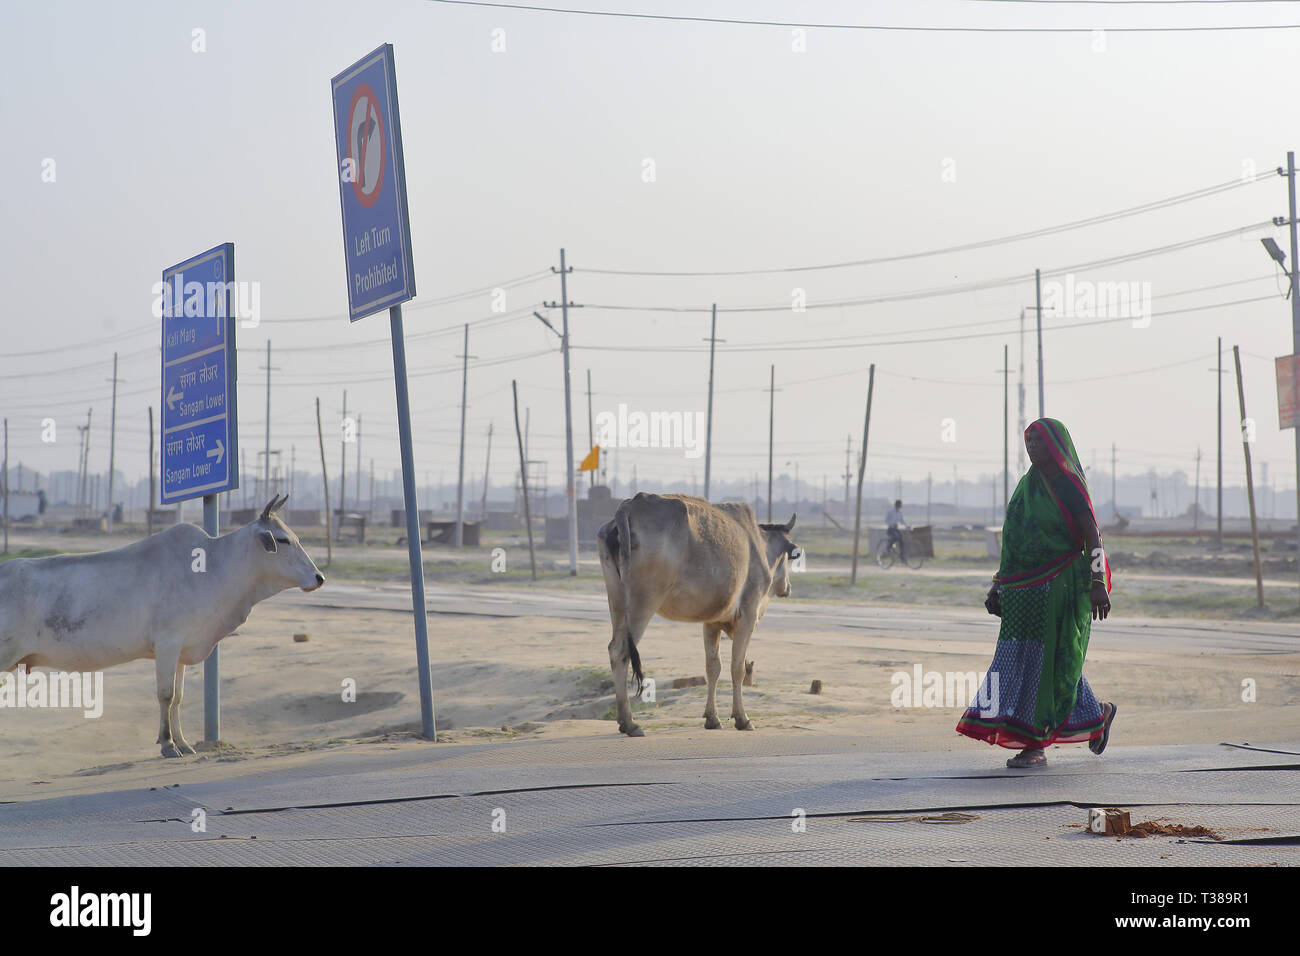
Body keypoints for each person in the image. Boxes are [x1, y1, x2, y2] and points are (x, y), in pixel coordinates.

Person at [955, 418, 1117, 768]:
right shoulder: (1027, 487)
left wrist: (1097, 583)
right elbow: (1015, 542)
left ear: (1055, 445)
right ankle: (1096, 714)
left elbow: (1092, 535)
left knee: (1045, 662)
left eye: (1038, 442)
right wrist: (998, 583)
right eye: (1028, 442)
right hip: (1022, 591)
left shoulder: (1068, 486)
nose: (1032, 448)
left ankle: (1034, 745)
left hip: (1059, 585)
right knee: (1029, 660)